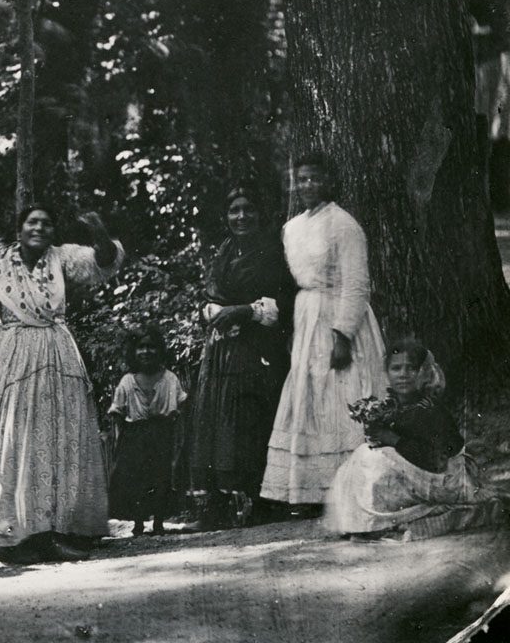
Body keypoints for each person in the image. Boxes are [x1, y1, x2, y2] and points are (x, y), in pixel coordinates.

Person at [0, 206, 124, 563]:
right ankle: (14, 533)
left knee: (58, 439)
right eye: (32, 222)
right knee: (16, 440)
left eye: (47, 222)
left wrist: (97, 229)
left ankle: (56, 530)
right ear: (18, 230)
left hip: (58, 354)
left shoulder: (61, 258)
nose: (39, 227)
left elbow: (103, 261)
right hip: (14, 359)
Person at [261, 153, 386, 510]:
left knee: (341, 395)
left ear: (329, 181)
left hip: (337, 317)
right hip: (306, 319)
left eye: (314, 178)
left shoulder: (344, 225)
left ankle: (354, 487)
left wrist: (343, 334)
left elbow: (357, 284)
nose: (307, 186)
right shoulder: (292, 227)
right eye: (301, 180)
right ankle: (313, 492)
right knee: (311, 399)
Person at [326, 337, 506, 539]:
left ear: (423, 373)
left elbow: (435, 461)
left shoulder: (429, 409)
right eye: (396, 368)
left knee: (373, 460)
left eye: (411, 368)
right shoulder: (394, 406)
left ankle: (377, 521)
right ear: (387, 373)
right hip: (420, 471)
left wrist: (391, 438)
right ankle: (361, 521)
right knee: (362, 457)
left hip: (445, 479)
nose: (403, 375)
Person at [188, 185, 294, 529]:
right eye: (234, 211)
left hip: (258, 346)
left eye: (248, 209)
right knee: (217, 419)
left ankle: (262, 500)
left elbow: (282, 303)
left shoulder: (272, 251)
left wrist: (244, 310)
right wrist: (214, 312)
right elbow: (208, 295)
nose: (241, 216)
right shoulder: (224, 251)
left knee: (252, 418)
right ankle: (215, 504)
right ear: (226, 217)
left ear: (260, 214)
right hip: (222, 348)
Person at [107, 327, 187, 537]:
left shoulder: (169, 379)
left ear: (159, 350)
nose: (146, 352)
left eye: (151, 347)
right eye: (141, 347)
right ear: (134, 351)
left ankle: (159, 522)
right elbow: (117, 412)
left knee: (160, 478)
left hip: (162, 434)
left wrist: (178, 440)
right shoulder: (128, 381)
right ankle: (138, 523)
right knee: (135, 481)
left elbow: (179, 410)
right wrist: (118, 441)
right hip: (134, 436)